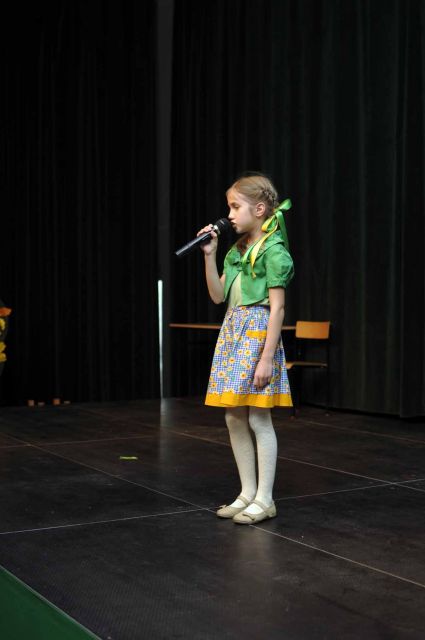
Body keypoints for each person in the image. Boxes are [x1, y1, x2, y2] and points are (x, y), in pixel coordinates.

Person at [198, 173, 294, 524]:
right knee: (233, 415)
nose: (230, 215)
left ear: (259, 209)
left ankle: (265, 498)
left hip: (257, 334)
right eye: (229, 207)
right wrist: (209, 256)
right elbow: (217, 296)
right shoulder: (236, 252)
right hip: (233, 331)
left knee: (258, 416)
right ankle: (246, 492)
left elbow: (277, 309)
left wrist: (267, 357)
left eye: (235, 207)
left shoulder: (273, 251)